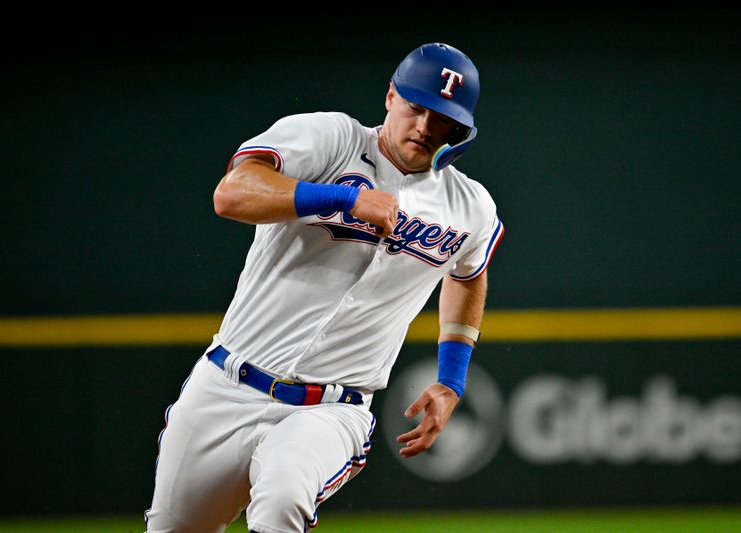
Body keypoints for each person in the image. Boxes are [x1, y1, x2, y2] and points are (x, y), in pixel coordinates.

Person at [145, 42, 504, 533]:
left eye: (439, 116)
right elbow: (231, 193)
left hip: (331, 408)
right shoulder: (330, 138)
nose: (423, 125)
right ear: (390, 98)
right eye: (415, 107)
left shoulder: (470, 207)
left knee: (281, 505)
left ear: (458, 128)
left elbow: (469, 274)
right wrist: (343, 197)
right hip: (225, 388)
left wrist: (452, 379)